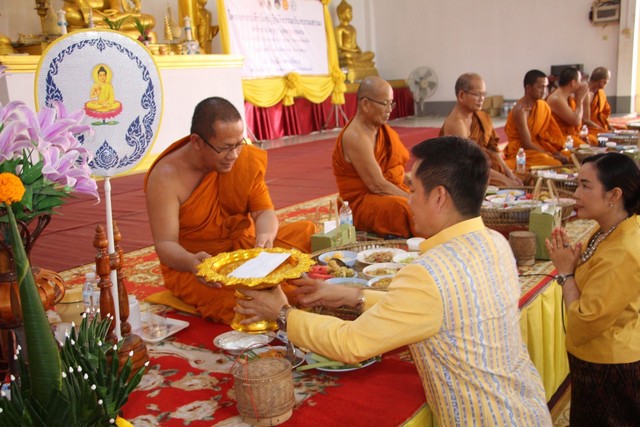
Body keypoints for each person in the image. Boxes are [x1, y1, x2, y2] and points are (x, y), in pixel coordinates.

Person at [237, 136, 552, 426]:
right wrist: (352, 296)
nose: (409, 201)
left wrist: (283, 314)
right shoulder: (496, 242)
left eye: (413, 190)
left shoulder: (429, 272)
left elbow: (352, 343)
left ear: (439, 197)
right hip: (528, 409)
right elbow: (439, 307)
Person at [144, 97, 315, 324]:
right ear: (197, 142)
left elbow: (264, 212)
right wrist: (191, 262)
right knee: (241, 303)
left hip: (246, 252)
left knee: (306, 232)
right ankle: (288, 299)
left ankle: (285, 293)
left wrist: (265, 236)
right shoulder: (166, 177)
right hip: (200, 267)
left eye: (238, 144)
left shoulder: (242, 160)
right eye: (225, 148)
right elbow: (165, 244)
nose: (234, 155)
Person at [545, 152, 640, 426]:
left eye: (585, 186)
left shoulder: (623, 251)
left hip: (611, 365)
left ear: (614, 195)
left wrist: (566, 273)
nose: (576, 194)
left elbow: (582, 324)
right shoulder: (610, 229)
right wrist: (573, 263)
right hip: (600, 357)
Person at [333, 76, 420, 238]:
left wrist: (414, 185)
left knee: (431, 195)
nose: (389, 109)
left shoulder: (381, 130)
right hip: (361, 203)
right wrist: (413, 199)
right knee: (406, 208)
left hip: (386, 191)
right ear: (365, 104)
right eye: (384, 103)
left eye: (391, 103)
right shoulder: (355, 136)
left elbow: (393, 169)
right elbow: (377, 185)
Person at [440, 73, 522, 187]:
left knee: (524, 179)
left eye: (484, 94)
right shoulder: (457, 124)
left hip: (485, 169)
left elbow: (492, 149)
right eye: (477, 95)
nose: (482, 99)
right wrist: (505, 181)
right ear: (461, 95)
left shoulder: (480, 117)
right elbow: (471, 165)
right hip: (466, 177)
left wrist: (509, 175)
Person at [504, 69, 568, 168]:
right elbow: (527, 143)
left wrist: (554, 152)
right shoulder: (521, 110)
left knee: (567, 155)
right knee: (555, 164)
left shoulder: (542, 105)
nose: (544, 91)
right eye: (540, 87)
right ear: (528, 88)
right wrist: (550, 155)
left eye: (545, 87)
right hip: (522, 150)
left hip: (538, 145)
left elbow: (544, 135)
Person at [546, 67, 593, 145]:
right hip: (560, 137)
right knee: (587, 147)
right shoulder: (557, 99)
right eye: (580, 80)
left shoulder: (566, 96)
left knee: (594, 140)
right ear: (573, 82)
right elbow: (576, 121)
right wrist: (580, 100)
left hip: (571, 135)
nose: (581, 84)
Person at [583, 66, 615, 140]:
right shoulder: (586, 93)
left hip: (599, 125)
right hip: (587, 127)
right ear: (602, 81)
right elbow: (585, 120)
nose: (607, 84)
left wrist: (608, 127)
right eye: (607, 82)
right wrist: (603, 131)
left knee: (621, 130)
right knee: (609, 138)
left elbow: (603, 113)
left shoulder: (600, 92)